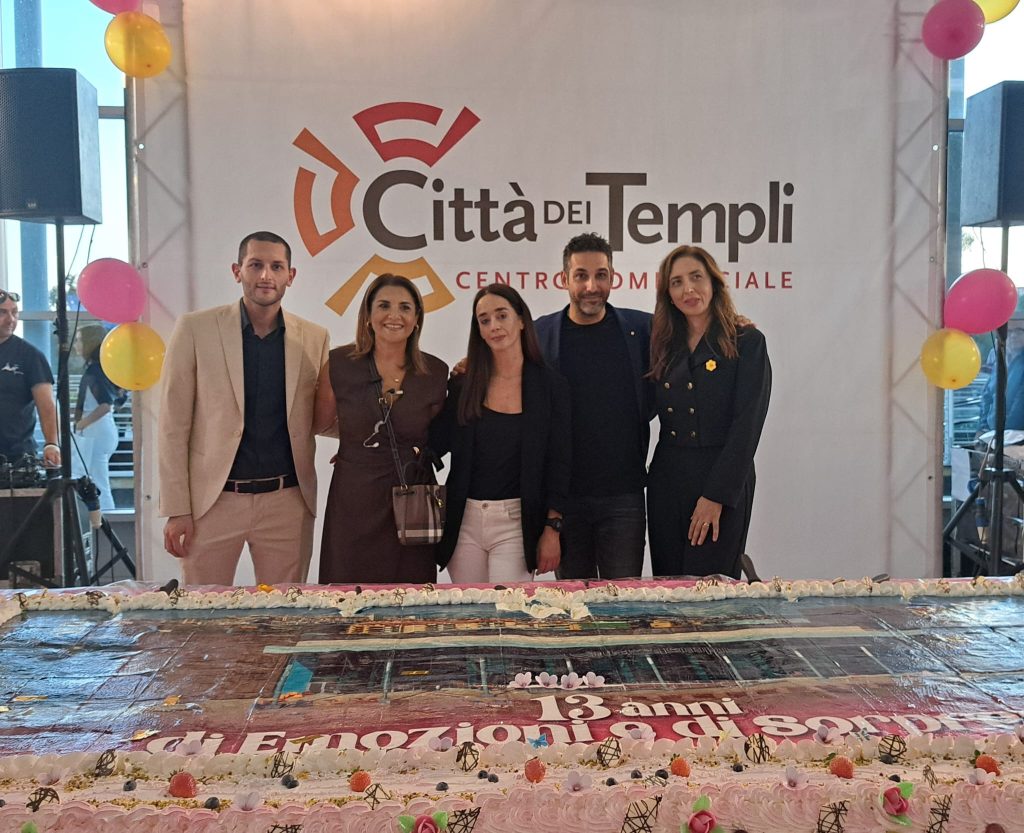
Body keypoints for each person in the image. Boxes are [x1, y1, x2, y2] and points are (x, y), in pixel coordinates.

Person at [159, 231, 330, 585]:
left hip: (287, 502)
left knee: (286, 612)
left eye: (276, 267)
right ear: (237, 271)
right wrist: (177, 509)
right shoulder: (196, 329)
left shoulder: (314, 338)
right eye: (255, 265)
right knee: (203, 611)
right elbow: (173, 426)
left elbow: (321, 415)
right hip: (213, 502)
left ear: (290, 276)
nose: (266, 275)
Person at [430, 285, 570, 583]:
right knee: (469, 610)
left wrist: (552, 528)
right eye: (484, 320)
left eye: (501, 315)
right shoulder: (463, 384)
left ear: (521, 321)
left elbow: (560, 463)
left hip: (517, 523)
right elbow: (434, 442)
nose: (494, 326)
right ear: (478, 331)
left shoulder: (551, 386)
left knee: (509, 610)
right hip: (464, 521)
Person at [647, 245, 771, 579]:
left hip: (721, 479)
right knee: (668, 589)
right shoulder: (662, 343)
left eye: (696, 277)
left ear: (714, 282)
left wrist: (715, 496)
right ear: (667, 294)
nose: (688, 289)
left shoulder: (746, 342)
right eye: (676, 282)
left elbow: (747, 426)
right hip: (667, 481)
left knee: (713, 590)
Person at [314, 274, 448, 584]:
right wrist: (358, 442)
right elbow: (321, 423)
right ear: (368, 315)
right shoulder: (338, 364)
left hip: (412, 499)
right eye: (384, 305)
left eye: (405, 307)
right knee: (347, 591)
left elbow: (438, 435)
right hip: (354, 496)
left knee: (410, 595)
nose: (394, 315)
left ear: (417, 318)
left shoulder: (436, 372)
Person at [533, 233, 652, 579]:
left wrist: (734, 325)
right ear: (564, 279)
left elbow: (695, 331)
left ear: (612, 277)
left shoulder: (642, 328)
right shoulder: (540, 334)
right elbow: (500, 362)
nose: (591, 286)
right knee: (574, 605)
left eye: (601, 275)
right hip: (565, 502)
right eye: (581, 275)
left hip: (624, 498)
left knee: (624, 603)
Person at [0, 289, 60, 469]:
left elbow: (47, 405)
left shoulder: (30, 355)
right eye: (2, 313)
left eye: (14, 312)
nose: (11, 319)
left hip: (16, 457)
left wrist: (51, 443)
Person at [73, 324, 123, 511]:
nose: (76, 345)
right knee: (97, 479)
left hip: (96, 431)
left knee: (99, 482)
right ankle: (103, 519)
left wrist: (81, 424)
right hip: (102, 430)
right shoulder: (102, 369)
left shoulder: (95, 370)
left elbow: (105, 405)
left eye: (79, 340)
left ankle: (106, 520)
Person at [980, 319, 1024, 432]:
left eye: (1019, 331)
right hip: (993, 432)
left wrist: (1002, 432)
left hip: (1014, 434)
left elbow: (1019, 407)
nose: (1013, 336)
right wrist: (982, 428)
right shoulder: (999, 362)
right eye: (1009, 331)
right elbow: (986, 397)